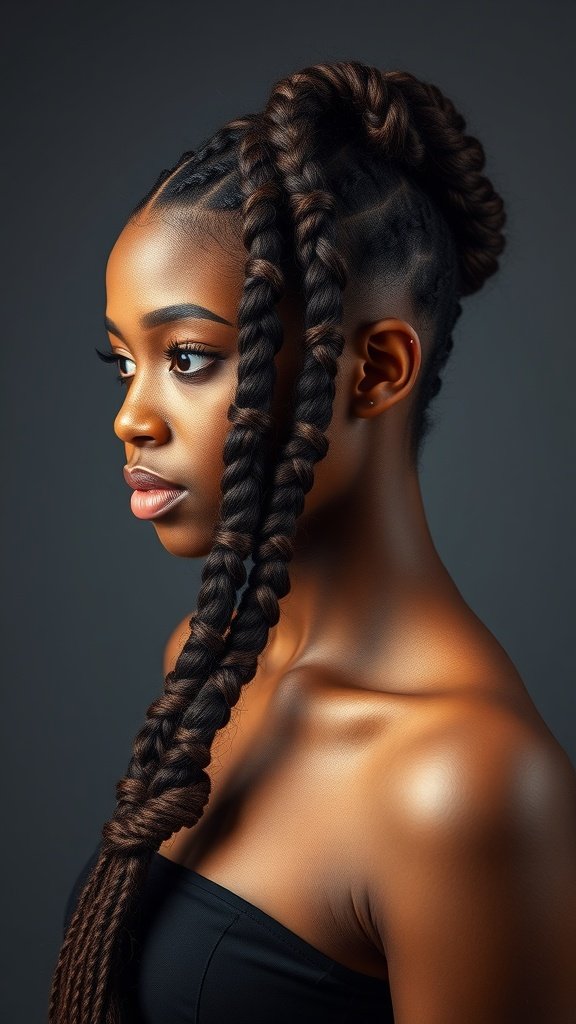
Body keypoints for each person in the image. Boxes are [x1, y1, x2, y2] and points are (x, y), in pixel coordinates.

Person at [50, 60, 576, 1023]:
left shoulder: (461, 784)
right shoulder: (207, 672)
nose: (132, 416)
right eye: (123, 362)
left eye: (190, 358)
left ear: (373, 371)